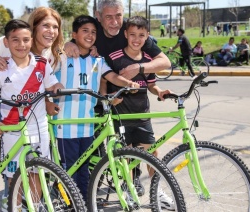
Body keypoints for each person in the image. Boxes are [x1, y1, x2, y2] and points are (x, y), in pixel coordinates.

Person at [64, 0, 171, 198]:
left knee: (140, 149)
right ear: (99, 18)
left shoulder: (132, 31)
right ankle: (87, 187)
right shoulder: (93, 31)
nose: (114, 22)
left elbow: (164, 61)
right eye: (108, 17)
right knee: (101, 149)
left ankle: (138, 184)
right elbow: (79, 36)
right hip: (101, 100)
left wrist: (138, 69)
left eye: (118, 16)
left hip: (132, 103)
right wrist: (68, 43)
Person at [0, 7, 64, 211]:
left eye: (55, 27)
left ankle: (33, 205)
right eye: (46, 25)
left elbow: (49, 85)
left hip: (36, 126)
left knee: (37, 171)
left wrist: (57, 92)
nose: (51, 31)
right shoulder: (3, 59)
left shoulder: (44, 59)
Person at [53, 15, 140, 201]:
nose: (90, 35)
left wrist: (128, 83)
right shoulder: (62, 56)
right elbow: (44, 63)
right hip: (65, 125)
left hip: (88, 125)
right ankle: (71, 204)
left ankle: (84, 203)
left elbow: (113, 76)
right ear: (74, 34)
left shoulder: (97, 60)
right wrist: (64, 45)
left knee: (84, 169)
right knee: (70, 170)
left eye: (93, 32)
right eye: (85, 31)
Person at [104, 16, 174, 210]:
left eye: (141, 35)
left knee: (152, 152)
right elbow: (104, 79)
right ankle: (127, 190)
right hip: (121, 116)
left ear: (147, 36)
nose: (136, 39)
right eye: (132, 34)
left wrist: (159, 91)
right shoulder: (115, 57)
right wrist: (109, 96)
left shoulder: (148, 59)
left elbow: (151, 84)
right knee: (125, 156)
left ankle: (157, 191)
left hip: (143, 115)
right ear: (125, 34)